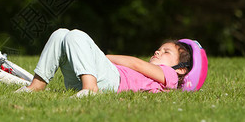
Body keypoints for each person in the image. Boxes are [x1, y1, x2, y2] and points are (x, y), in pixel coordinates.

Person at [16, 28, 196, 97]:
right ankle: (37, 86)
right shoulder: (157, 72)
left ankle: (90, 89)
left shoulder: (170, 75)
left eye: (166, 52)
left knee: (76, 35)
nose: (158, 51)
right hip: (90, 78)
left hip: (112, 81)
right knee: (60, 34)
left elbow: (136, 64)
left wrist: (104, 57)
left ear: (181, 70)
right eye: (159, 48)